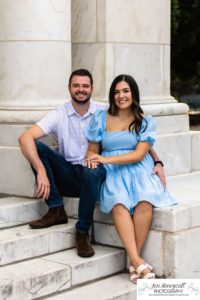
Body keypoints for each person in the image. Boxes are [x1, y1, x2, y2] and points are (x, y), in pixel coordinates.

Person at [18, 69, 166, 259]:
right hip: (69, 173)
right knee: (36, 146)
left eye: (85, 86)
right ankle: (56, 208)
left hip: (96, 172)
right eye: (76, 86)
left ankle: (82, 232)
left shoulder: (104, 111)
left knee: (91, 169)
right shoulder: (59, 113)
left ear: (92, 88)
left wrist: (157, 160)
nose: (81, 90)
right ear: (69, 88)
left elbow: (136, 136)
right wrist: (41, 171)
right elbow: (25, 138)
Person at [85, 74, 177, 281]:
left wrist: (105, 160)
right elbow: (91, 151)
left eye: (125, 91)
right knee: (119, 202)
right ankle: (137, 261)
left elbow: (138, 154)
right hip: (112, 172)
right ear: (112, 95)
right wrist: (93, 159)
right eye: (116, 92)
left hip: (138, 167)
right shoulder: (100, 118)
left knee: (145, 199)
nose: (121, 96)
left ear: (134, 93)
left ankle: (133, 261)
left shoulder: (145, 120)